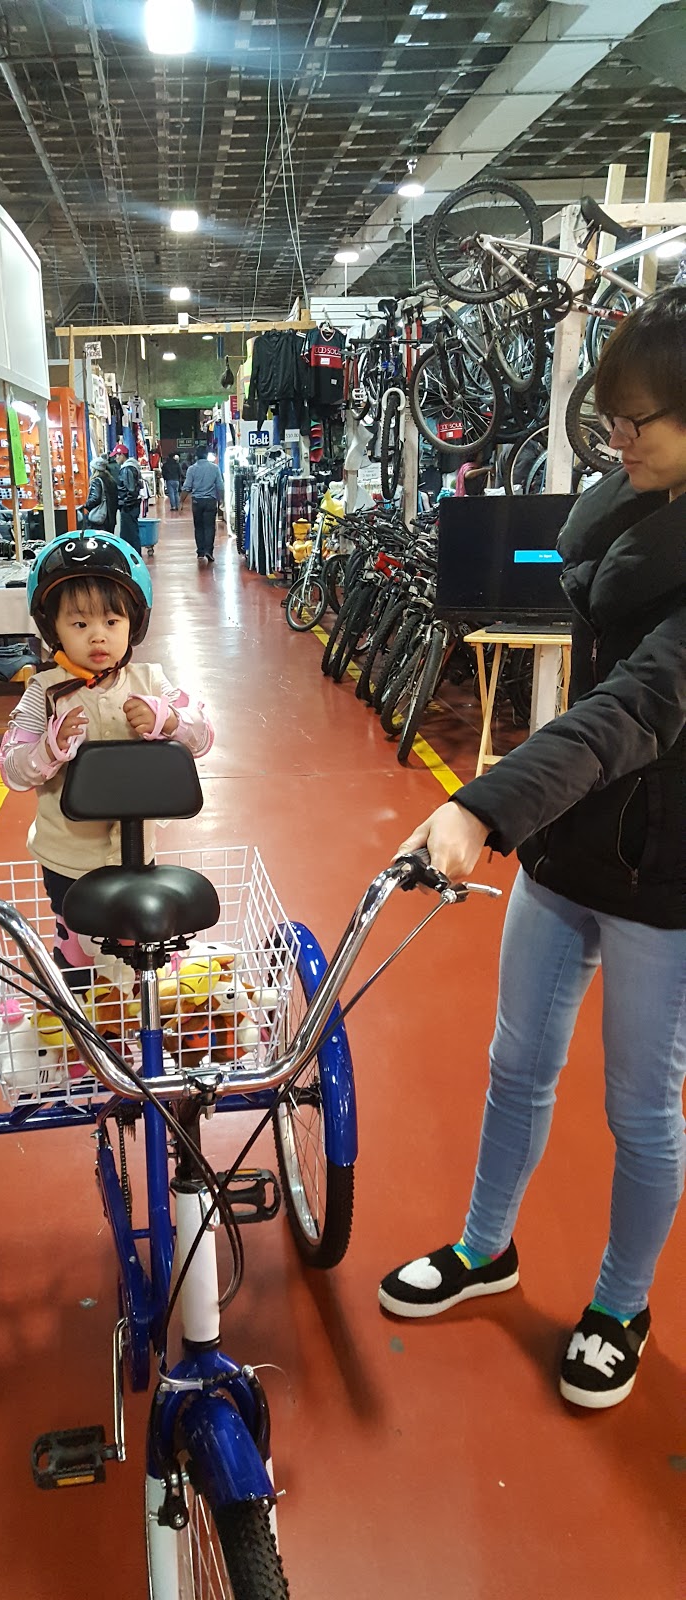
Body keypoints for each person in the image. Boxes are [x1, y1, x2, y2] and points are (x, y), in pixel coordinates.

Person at [378, 286, 686, 1411]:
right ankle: (485, 1246)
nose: (620, 436)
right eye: (611, 414)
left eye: (645, 418)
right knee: (517, 1061)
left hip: (666, 874)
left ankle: (618, 1302)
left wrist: (480, 805)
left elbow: (635, 710)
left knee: (642, 1111)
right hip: (568, 845)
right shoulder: (627, 504)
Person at [0, 533, 213, 976]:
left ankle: (139, 1012)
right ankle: (83, 1015)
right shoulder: (43, 692)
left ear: (132, 624)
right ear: (52, 627)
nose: (98, 636)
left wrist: (168, 721)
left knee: (138, 950)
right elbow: (12, 770)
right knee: (77, 950)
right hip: (66, 859)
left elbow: (205, 737)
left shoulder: (152, 681)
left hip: (137, 854)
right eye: (79, 624)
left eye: (112, 621)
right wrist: (49, 749)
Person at [182, 451, 225, 564]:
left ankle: (200, 551)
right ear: (206, 456)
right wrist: (222, 500)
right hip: (210, 501)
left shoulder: (192, 469)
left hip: (197, 501)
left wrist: (181, 502)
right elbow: (220, 486)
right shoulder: (215, 468)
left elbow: (187, 486)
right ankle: (209, 550)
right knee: (210, 527)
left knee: (199, 527)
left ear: (196, 457)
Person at [112, 442, 143, 554]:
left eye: (117, 455)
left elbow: (130, 490)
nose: (115, 458)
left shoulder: (127, 469)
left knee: (129, 534)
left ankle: (133, 556)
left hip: (129, 507)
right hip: (132, 506)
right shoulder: (132, 467)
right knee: (132, 532)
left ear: (122, 455)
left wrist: (125, 504)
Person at [81, 451, 118, 533]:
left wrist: (86, 505)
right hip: (110, 517)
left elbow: (95, 498)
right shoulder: (110, 480)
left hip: (100, 518)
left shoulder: (97, 481)